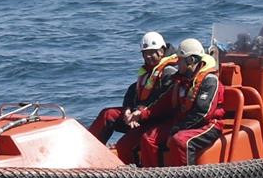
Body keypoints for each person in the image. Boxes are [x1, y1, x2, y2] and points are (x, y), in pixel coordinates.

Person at [130, 38, 225, 167]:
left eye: (180, 60)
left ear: (190, 61)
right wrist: (142, 113)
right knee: (149, 138)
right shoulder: (181, 81)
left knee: (180, 140)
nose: (177, 64)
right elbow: (163, 102)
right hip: (183, 122)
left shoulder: (209, 81)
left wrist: (177, 129)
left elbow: (202, 114)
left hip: (208, 125)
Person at [87, 31, 177, 164]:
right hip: (138, 116)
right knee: (108, 115)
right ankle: (88, 152)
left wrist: (140, 113)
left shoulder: (170, 73)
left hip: (156, 120)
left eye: (152, 52)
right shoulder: (148, 71)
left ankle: (128, 176)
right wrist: (128, 110)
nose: (149, 56)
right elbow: (133, 91)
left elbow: (162, 102)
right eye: (146, 53)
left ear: (162, 50)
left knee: (124, 145)